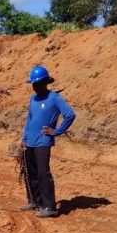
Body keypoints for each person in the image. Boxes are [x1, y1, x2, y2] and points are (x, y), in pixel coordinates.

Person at [19, 65, 76, 218]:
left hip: (43, 142)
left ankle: (49, 206)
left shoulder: (54, 98)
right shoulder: (33, 98)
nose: (34, 86)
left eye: (37, 83)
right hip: (29, 141)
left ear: (45, 82)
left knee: (43, 173)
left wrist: (56, 131)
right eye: (33, 83)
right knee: (30, 173)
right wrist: (24, 138)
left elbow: (70, 115)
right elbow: (30, 120)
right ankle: (35, 202)